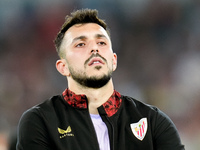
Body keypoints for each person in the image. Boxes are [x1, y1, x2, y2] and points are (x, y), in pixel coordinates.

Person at [17, 8, 185, 150]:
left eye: (102, 42)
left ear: (113, 61)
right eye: (80, 44)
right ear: (63, 67)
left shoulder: (152, 121)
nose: (94, 49)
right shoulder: (40, 121)